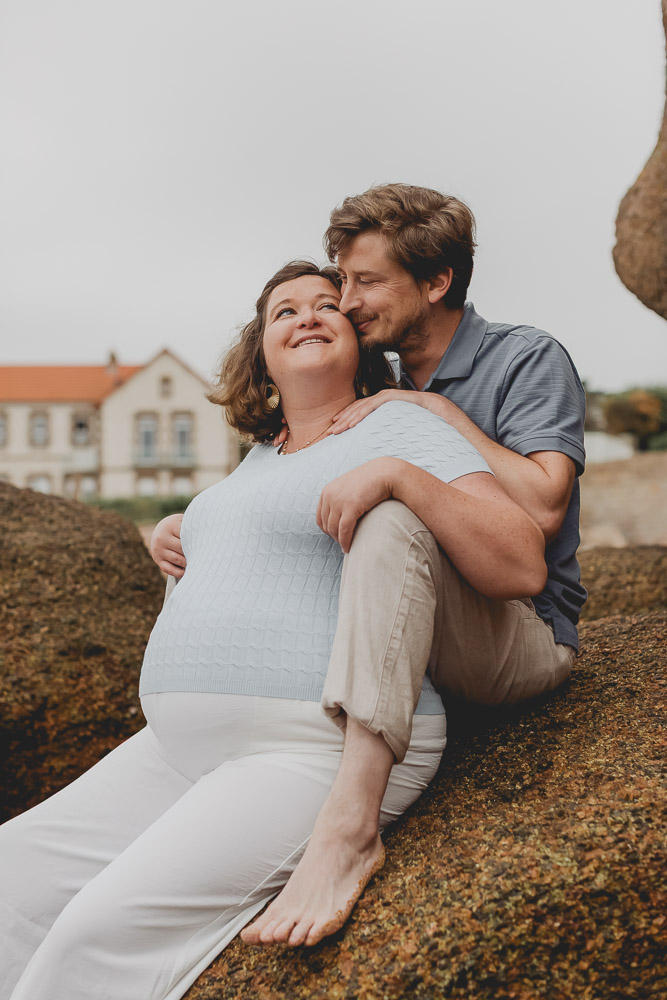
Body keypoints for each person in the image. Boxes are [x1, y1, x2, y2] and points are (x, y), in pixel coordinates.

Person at [0, 261, 546, 1000]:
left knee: (94, 934)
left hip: (306, 748)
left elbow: (518, 558)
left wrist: (396, 474)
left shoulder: (398, 425)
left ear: (359, 343)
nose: (309, 316)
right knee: (11, 881)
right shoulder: (258, 457)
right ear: (260, 349)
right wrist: (186, 529)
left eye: (329, 306)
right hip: (180, 750)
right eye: (284, 310)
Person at [153, 184, 586, 946]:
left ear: (436, 282)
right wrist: (193, 527)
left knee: (390, 516)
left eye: (365, 282)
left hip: (515, 627)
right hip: (403, 636)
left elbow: (541, 515)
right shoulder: (373, 371)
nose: (343, 302)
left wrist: (433, 423)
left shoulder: (523, 358)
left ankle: (350, 823)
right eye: (340, 280)